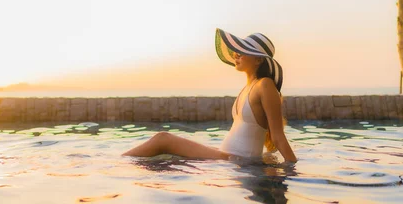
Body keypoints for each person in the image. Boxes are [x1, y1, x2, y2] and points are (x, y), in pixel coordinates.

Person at [122, 28, 297, 163]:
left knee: (162, 140)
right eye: (237, 49)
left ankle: (117, 164)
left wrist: (293, 167)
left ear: (258, 59)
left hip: (237, 160)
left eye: (242, 50)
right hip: (230, 160)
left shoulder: (265, 85)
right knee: (163, 160)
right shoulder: (247, 88)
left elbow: (277, 136)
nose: (236, 54)